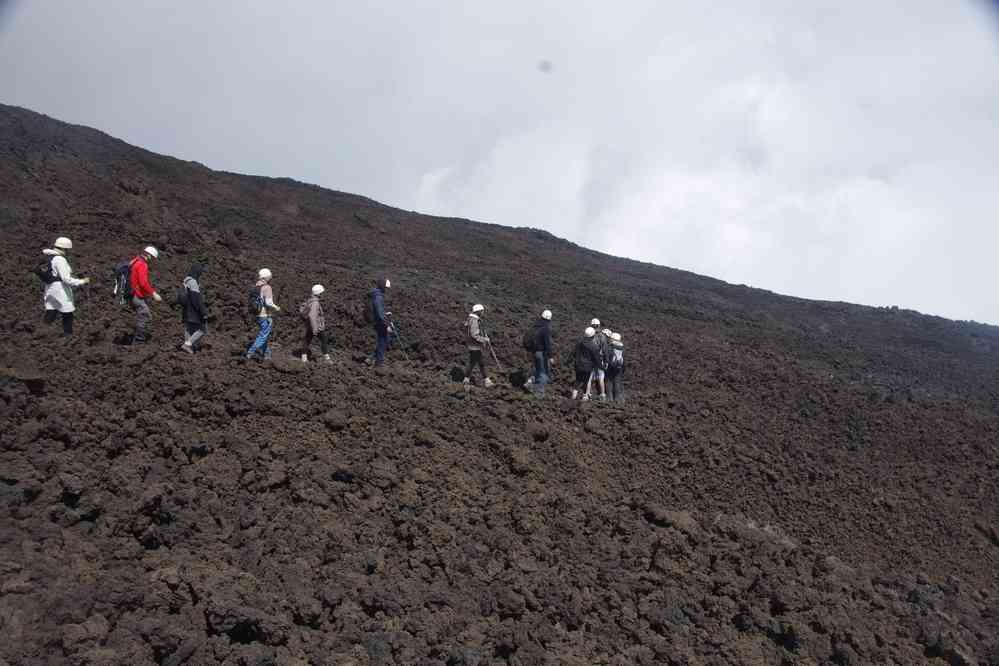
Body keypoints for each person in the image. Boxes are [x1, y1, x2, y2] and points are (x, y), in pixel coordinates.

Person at [40, 237, 90, 336]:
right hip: (60, 290)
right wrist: (82, 281)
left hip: (50, 288)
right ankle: (68, 335)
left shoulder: (50, 257)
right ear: (64, 248)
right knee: (67, 313)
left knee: (52, 310)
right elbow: (66, 279)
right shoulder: (60, 260)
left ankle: (42, 331)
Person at [245, 268, 281, 359]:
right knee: (263, 335)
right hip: (264, 315)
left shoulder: (255, 286)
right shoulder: (267, 287)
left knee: (264, 335)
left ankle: (267, 355)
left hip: (256, 314)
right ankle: (250, 353)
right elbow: (269, 303)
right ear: (267, 277)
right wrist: (276, 308)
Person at [129, 246, 163, 344]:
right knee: (145, 314)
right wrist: (154, 293)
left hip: (130, 293)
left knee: (142, 314)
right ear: (149, 256)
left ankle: (137, 338)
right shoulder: (142, 264)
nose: (153, 262)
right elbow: (143, 283)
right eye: (153, 259)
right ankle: (139, 341)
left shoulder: (134, 261)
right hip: (135, 294)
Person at [463, 304, 494, 387]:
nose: (483, 312)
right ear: (478, 311)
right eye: (482, 311)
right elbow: (474, 335)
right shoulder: (474, 321)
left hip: (471, 344)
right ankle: (487, 381)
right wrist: (484, 339)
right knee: (481, 363)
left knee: (473, 362)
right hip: (475, 345)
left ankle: (466, 379)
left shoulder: (470, 319)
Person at [180, 263, 208, 354]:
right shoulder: (193, 282)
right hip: (193, 310)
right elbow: (196, 299)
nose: (201, 275)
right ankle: (187, 345)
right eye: (200, 273)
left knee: (189, 328)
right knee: (203, 329)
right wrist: (203, 312)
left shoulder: (186, 280)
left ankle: (188, 349)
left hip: (186, 309)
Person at [301, 284, 332, 364]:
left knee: (307, 340)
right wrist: (315, 329)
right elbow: (312, 315)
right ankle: (327, 358)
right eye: (322, 293)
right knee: (324, 340)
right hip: (317, 326)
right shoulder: (315, 303)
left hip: (309, 325)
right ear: (319, 293)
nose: (323, 294)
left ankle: (304, 358)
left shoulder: (310, 300)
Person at [527, 309, 554, 396]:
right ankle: (539, 393)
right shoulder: (546, 328)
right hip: (541, 352)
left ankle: (529, 382)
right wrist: (550, 356)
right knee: (543, 373)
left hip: (534, 351)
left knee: (537, 368)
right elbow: (547, 343)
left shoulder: (536, 325)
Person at [572, 327, 602, 400]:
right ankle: (584, 396)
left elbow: (573, 353)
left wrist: (567, 362)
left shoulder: (579, 342)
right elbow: (596, 359)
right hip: (587, 367)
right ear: (593, 336)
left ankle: (573, 396)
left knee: (578, 380)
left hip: (578, 365)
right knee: (586, 381)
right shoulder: (593, 346)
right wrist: (601, 367)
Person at [369, 278, 391, 366]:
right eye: (386, 288)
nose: (387, 290)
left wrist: (385, 313)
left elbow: (379, 310)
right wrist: (386, 325)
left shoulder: (377, 295)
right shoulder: (378, 297)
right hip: (379, 322)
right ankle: (379, 362)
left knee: (385, 340)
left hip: (378, 320)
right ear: (382, 286)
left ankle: (371, 358)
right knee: (383, 341)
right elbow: (379, 312)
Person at [586, 319, 609, 400]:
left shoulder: (588, 335)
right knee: (601, 377)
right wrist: (606, 361)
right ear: (599, 325)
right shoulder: (602, 336)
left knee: (589, 378)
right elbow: (605, 350)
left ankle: (587, 394)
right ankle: (602, 394)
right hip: (599, 359)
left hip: (590, 360)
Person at [606, 331, 625, 402]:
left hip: (610, 367)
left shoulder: (610, 347)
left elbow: (607, 357)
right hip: (619, 367)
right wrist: (623, 368)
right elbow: (624, 359)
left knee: (609, 382)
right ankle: (618, 398)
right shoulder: (622, 347)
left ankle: (609, 398)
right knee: (617, 382)